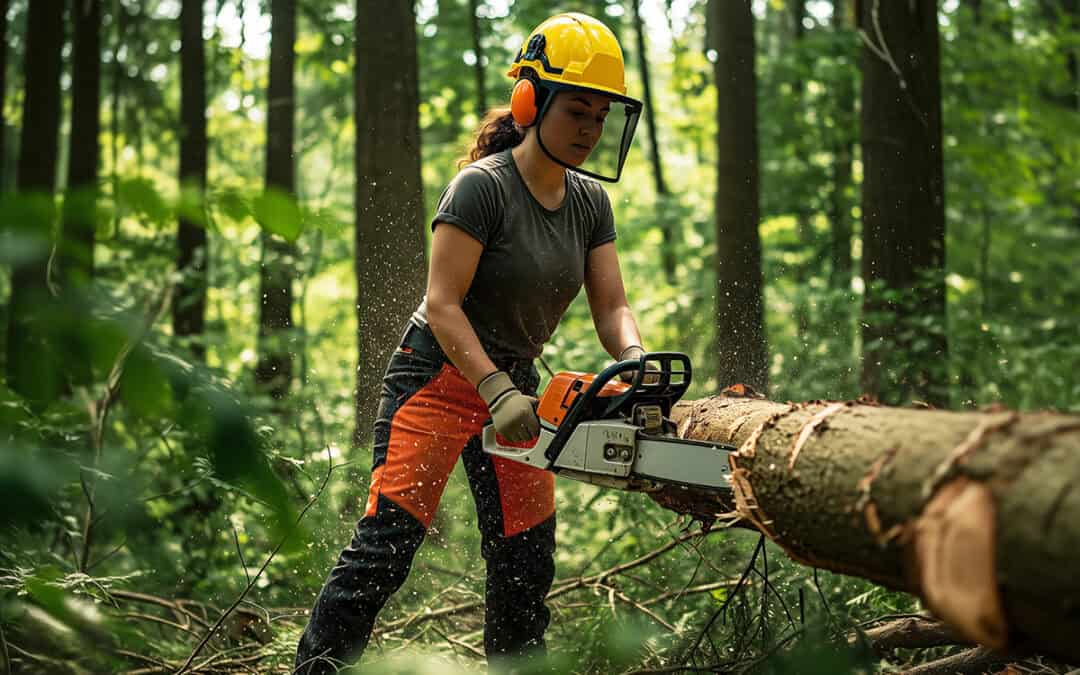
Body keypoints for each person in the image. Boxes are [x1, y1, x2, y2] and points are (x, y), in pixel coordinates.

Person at [294, 12, 651, 674]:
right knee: (388, 543)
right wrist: (492, 387)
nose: (591, 130)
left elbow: (614, 305)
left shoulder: (591, 204)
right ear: (530, 100)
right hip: (438, 377)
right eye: (577, 111)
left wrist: (632, 359)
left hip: (514, 386)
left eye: (602, 117)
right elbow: (442, 303)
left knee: (525, 556)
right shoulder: (482, 187)